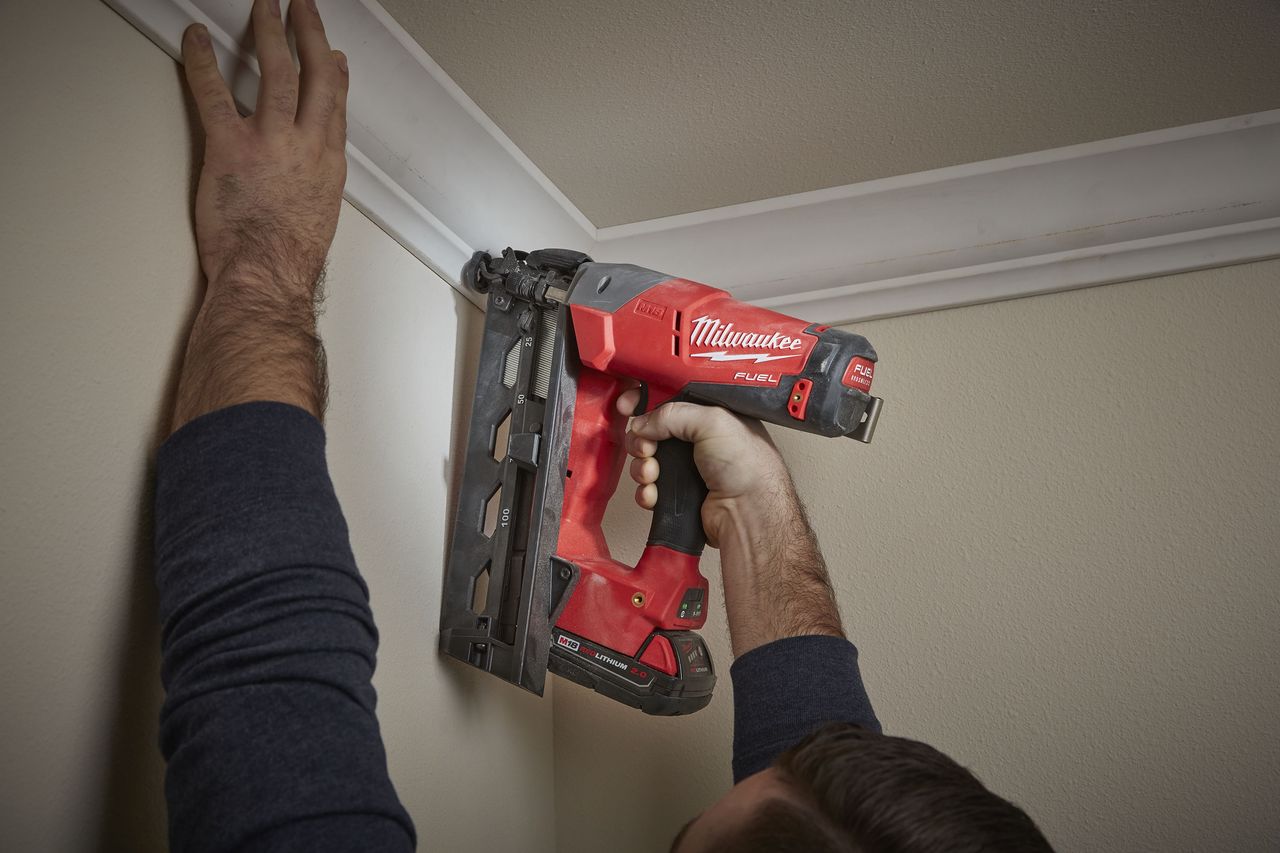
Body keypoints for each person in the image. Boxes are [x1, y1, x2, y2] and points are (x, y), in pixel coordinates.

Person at [156, 1, 1054, 850]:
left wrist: (261, 263)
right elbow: (824, 776)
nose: (784, 758)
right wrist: (755, 498)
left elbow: (265, 660)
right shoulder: (826, 807)